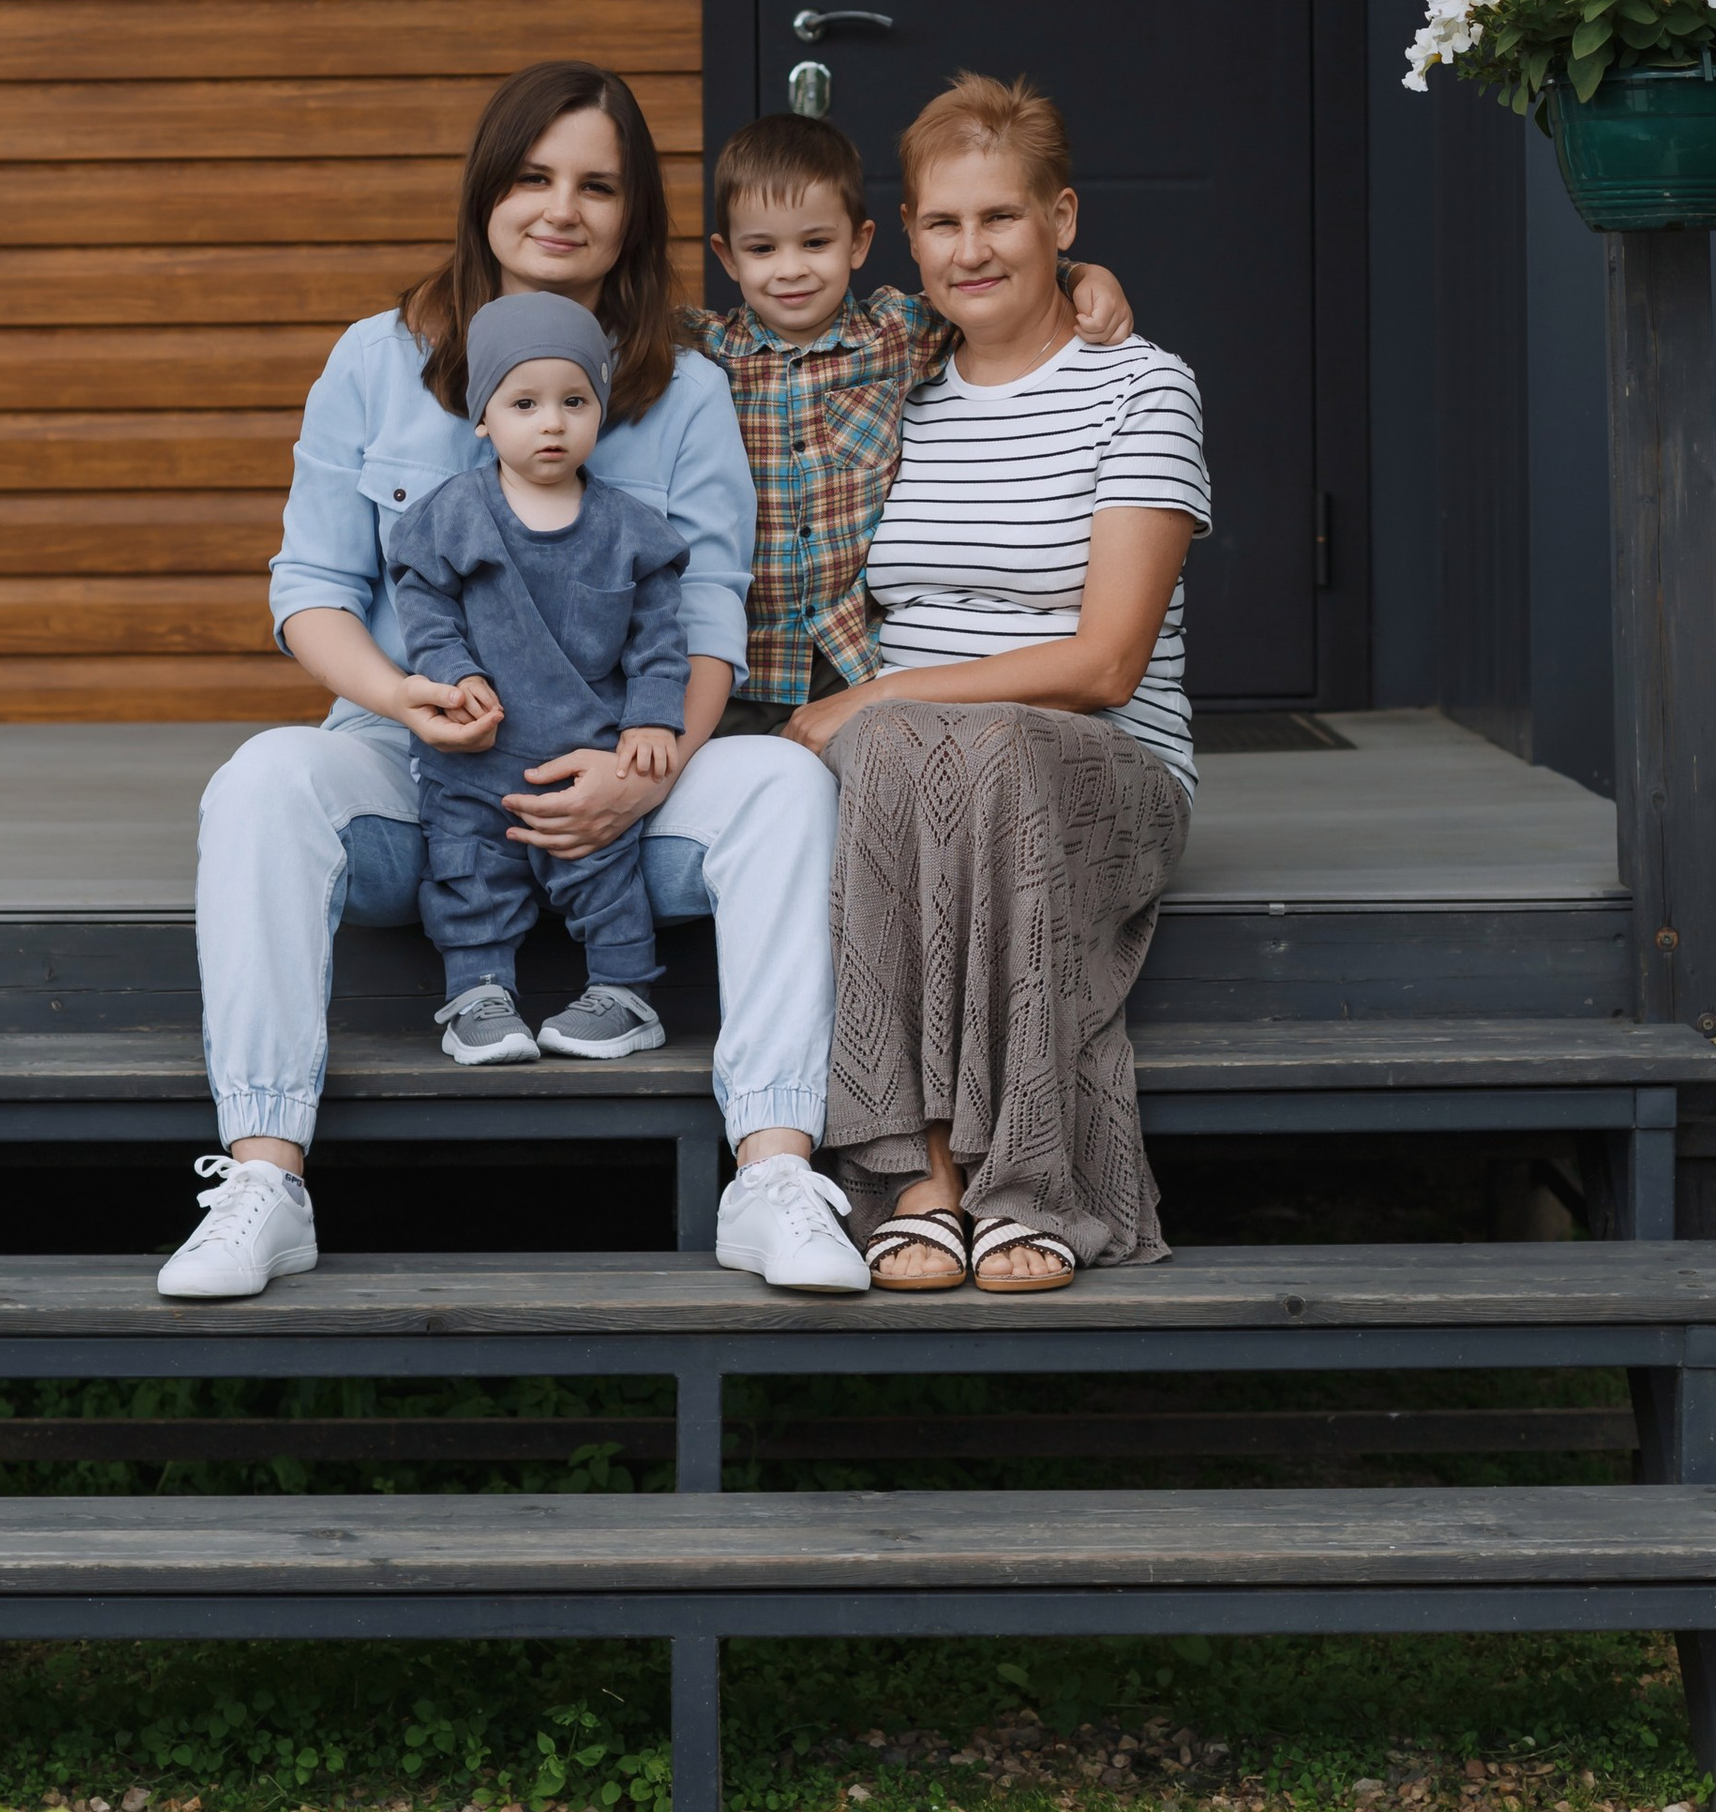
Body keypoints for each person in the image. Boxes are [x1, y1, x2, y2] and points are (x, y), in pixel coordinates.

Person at [162, 63, 865, 1304]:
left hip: (620, 793)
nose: (562, 209)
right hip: (419, 781)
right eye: (534, 177)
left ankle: (772, 1173)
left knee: (781, 783)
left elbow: (710, 615)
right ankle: (265, 1179)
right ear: (486, 189)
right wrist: (400, 697)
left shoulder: (686, 390)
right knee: (262, 779)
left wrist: (647, 775)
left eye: (598, 186)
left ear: (634, 215)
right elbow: (310, 586)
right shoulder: (377, 359)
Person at [782, 73, 1210, 1295]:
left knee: (969, 748)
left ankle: (1030, 1181)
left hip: (1098, 765)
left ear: (1060, 220)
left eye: (1000, 218)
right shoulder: (891, 388)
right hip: (911, 776)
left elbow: (1105, 663)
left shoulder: (1142, 385)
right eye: (942, 223)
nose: (969, 250)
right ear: (908, 240)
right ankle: (919, 1178)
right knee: (909, 757)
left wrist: (879, 697)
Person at [688, 112, 1133, 727]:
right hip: (738, 659)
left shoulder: (897, 334)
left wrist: (1081, 274)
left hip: (851, 659)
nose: (790, 269)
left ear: (859, 243)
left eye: (815, 243)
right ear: (727, 256)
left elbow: (995, 282)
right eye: (762, 249)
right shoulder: (704, 352)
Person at [394, 293, 690, 1055]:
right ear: (483, 417)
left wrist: (652, 717)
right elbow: (424, 605)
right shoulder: (455, 513)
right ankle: (478, 997)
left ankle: (625, 995)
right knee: (469, 875)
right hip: (474, 760)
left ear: (600, 411)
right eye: (524, 403)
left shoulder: (630, 530)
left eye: (574, 401)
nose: (551, 423)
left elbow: (658, 639)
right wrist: (454, 673)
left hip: (583, 757)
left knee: (606, 872)